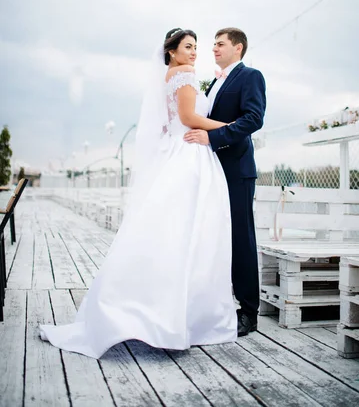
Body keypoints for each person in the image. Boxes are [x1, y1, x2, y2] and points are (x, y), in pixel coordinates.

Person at [39, 28, 237, 358]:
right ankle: (183, 316)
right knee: (191, 234)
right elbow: (189, 118)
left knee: (171, 233)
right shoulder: (185, 72)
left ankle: (155, 311)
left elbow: (168, 123)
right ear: (171, 51)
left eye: (196, 47)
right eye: (188, 47)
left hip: (177, 151)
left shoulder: (167, 77)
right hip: (190, 155)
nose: (194, 53)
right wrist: (230, 128)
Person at [184, 27, 266, 337]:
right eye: (214, 44)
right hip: (213, 169)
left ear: (238, 47)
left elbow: (253, 118)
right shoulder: (217, 81)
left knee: (241, 239)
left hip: (237, 169)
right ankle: (217, 303)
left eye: (220, 44)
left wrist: (213, 137)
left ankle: (249, 312)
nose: (214, 49)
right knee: (215, 237)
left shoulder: (250, 76)